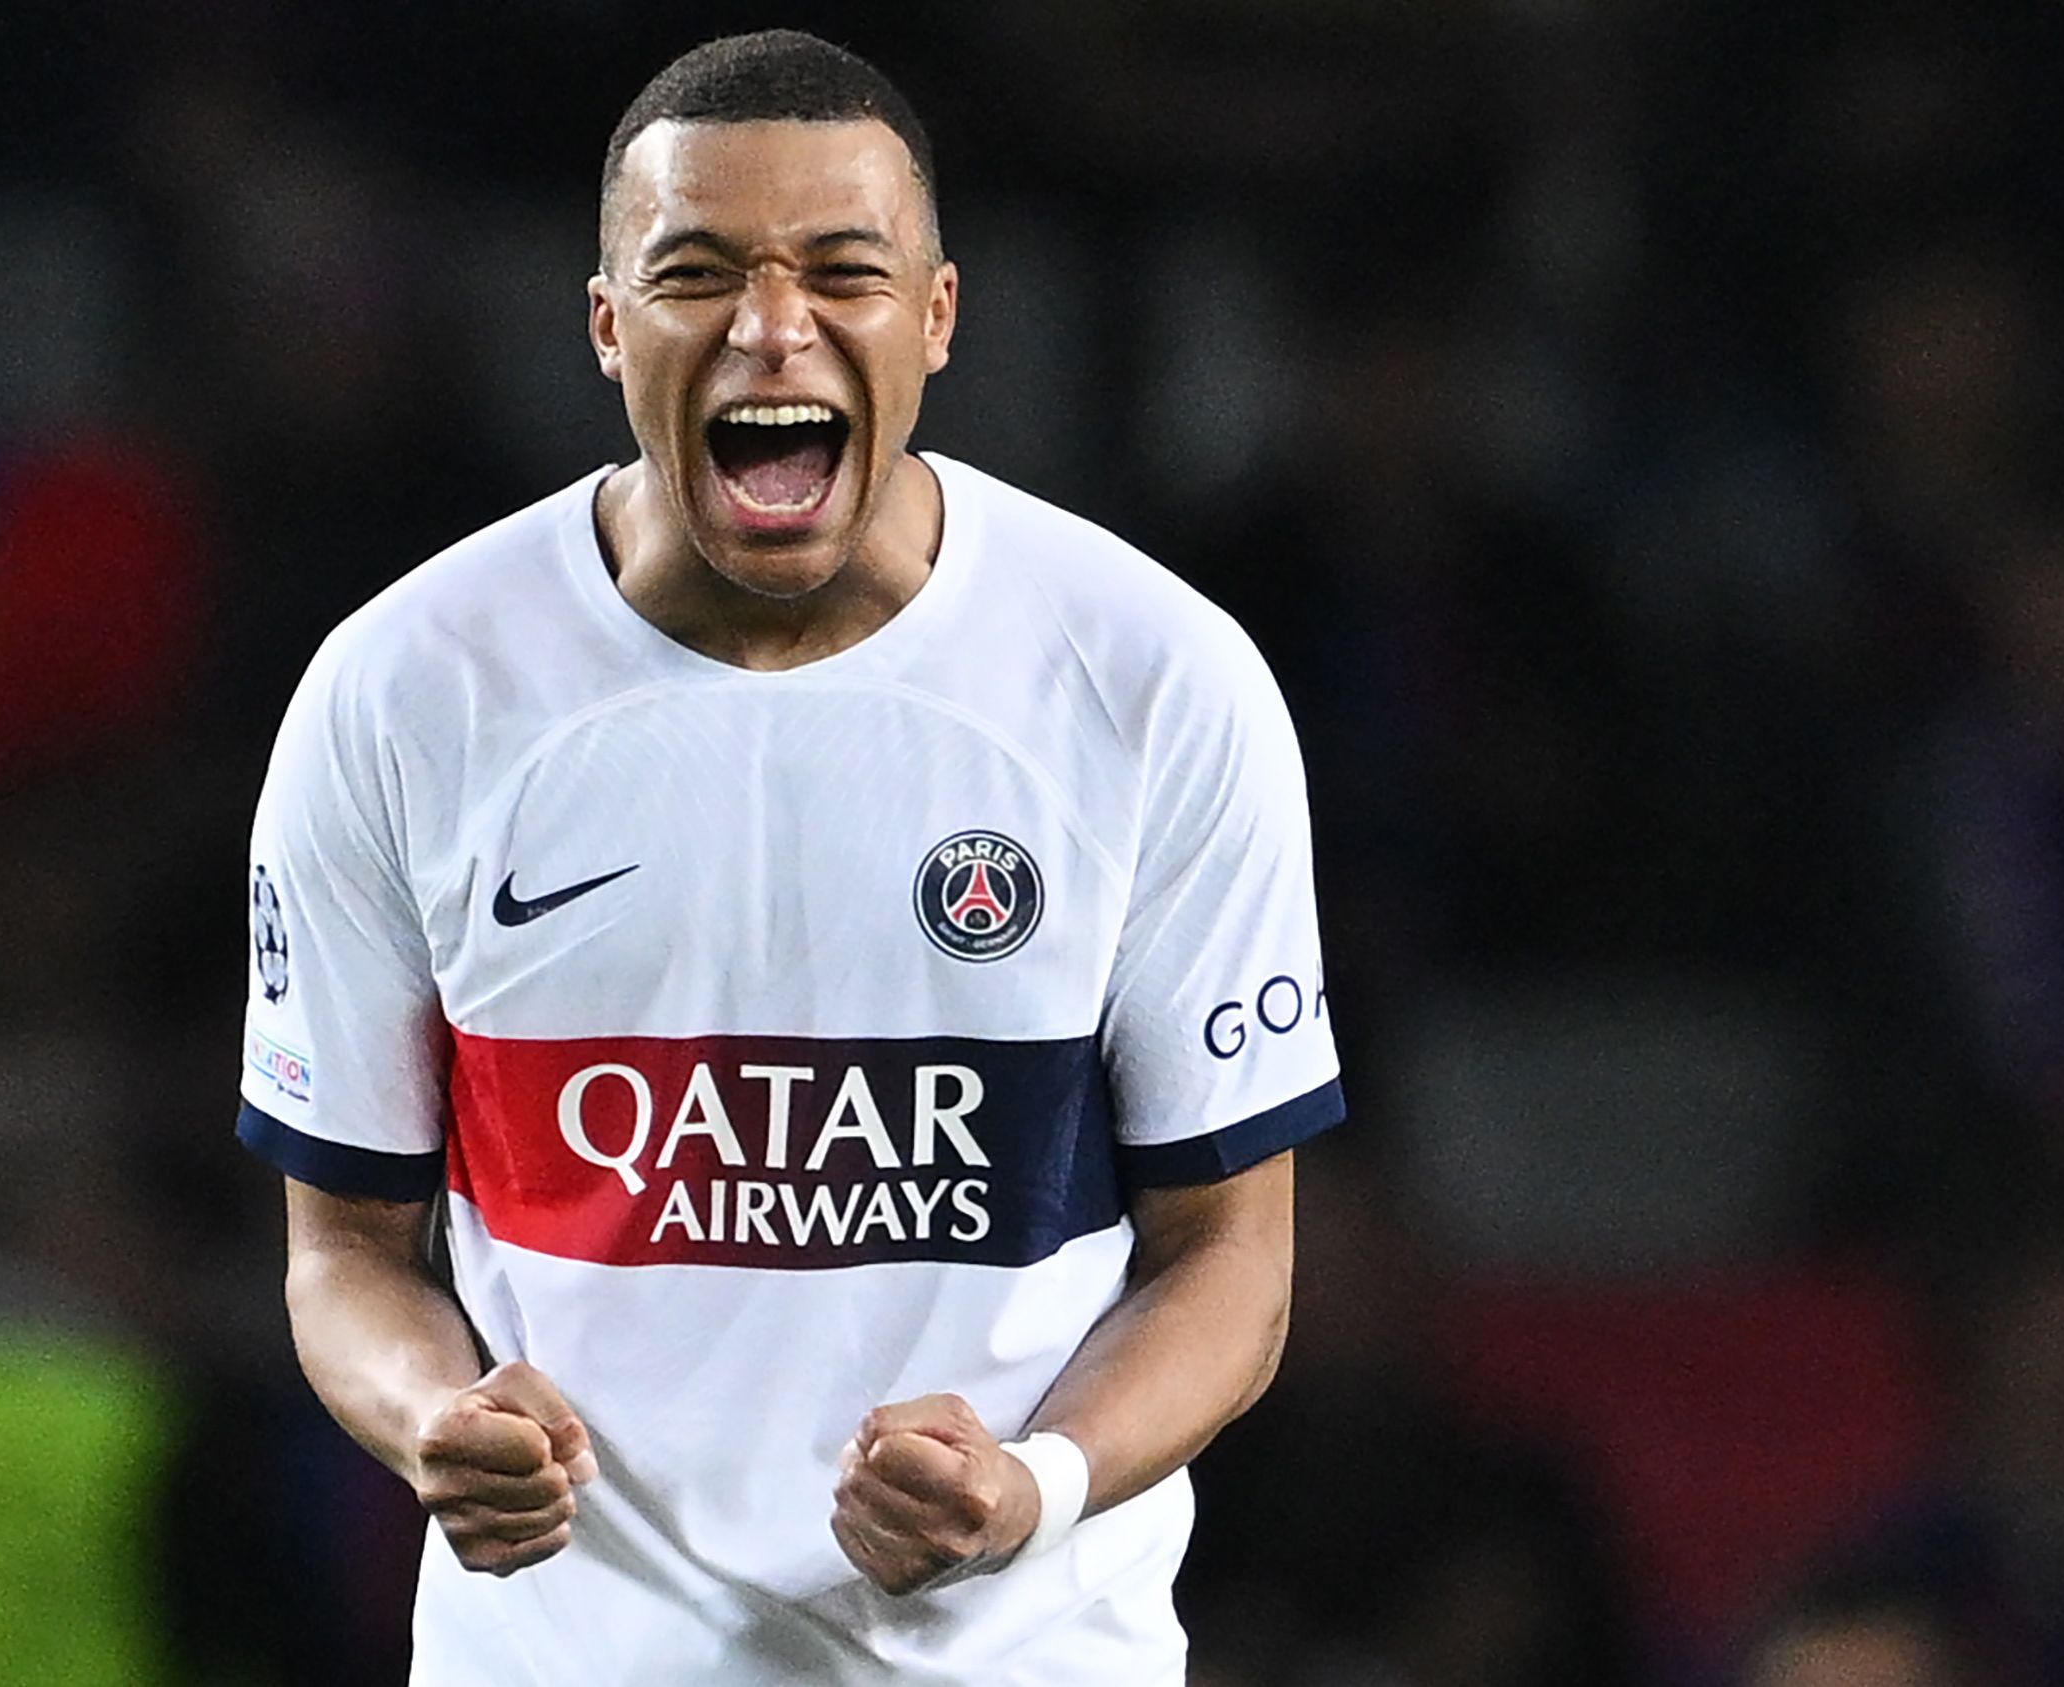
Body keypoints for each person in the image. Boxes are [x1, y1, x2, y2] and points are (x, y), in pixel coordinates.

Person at [238, 30, 1343, 1685]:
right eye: (698, 274)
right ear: (609, 329)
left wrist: (1030, 1490)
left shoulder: (1154, 682)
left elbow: (1233, 1261)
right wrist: (434, 1423)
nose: (774, 326)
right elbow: (340, 1254)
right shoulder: (407, 692)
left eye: (844, 271)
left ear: (940, 317)